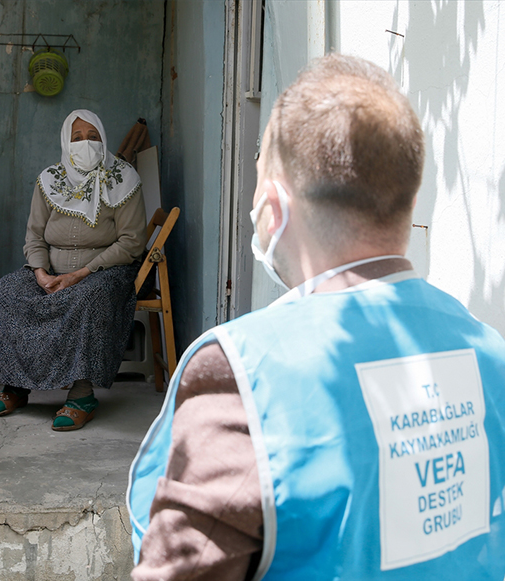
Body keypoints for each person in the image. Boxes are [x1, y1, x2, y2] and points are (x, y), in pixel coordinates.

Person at [127, 54, 505, 580]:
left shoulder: (241, 374)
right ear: (408, 198)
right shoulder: (490, 356)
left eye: (258, 183)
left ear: (275, 210)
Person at [0, 109, 146, 431]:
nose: (85, 144)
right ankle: (16, 386)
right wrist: (41, 273)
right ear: (66, 142)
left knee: (88, 298)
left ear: (103, 139)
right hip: (50, 269)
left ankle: (81, 395)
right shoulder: (50, 180)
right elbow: (34, 235)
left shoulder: (123, 178)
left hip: (105, 270)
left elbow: (132, 242)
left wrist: (81, 273)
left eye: (93, 137)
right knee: (8, 290)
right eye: (77, 138)